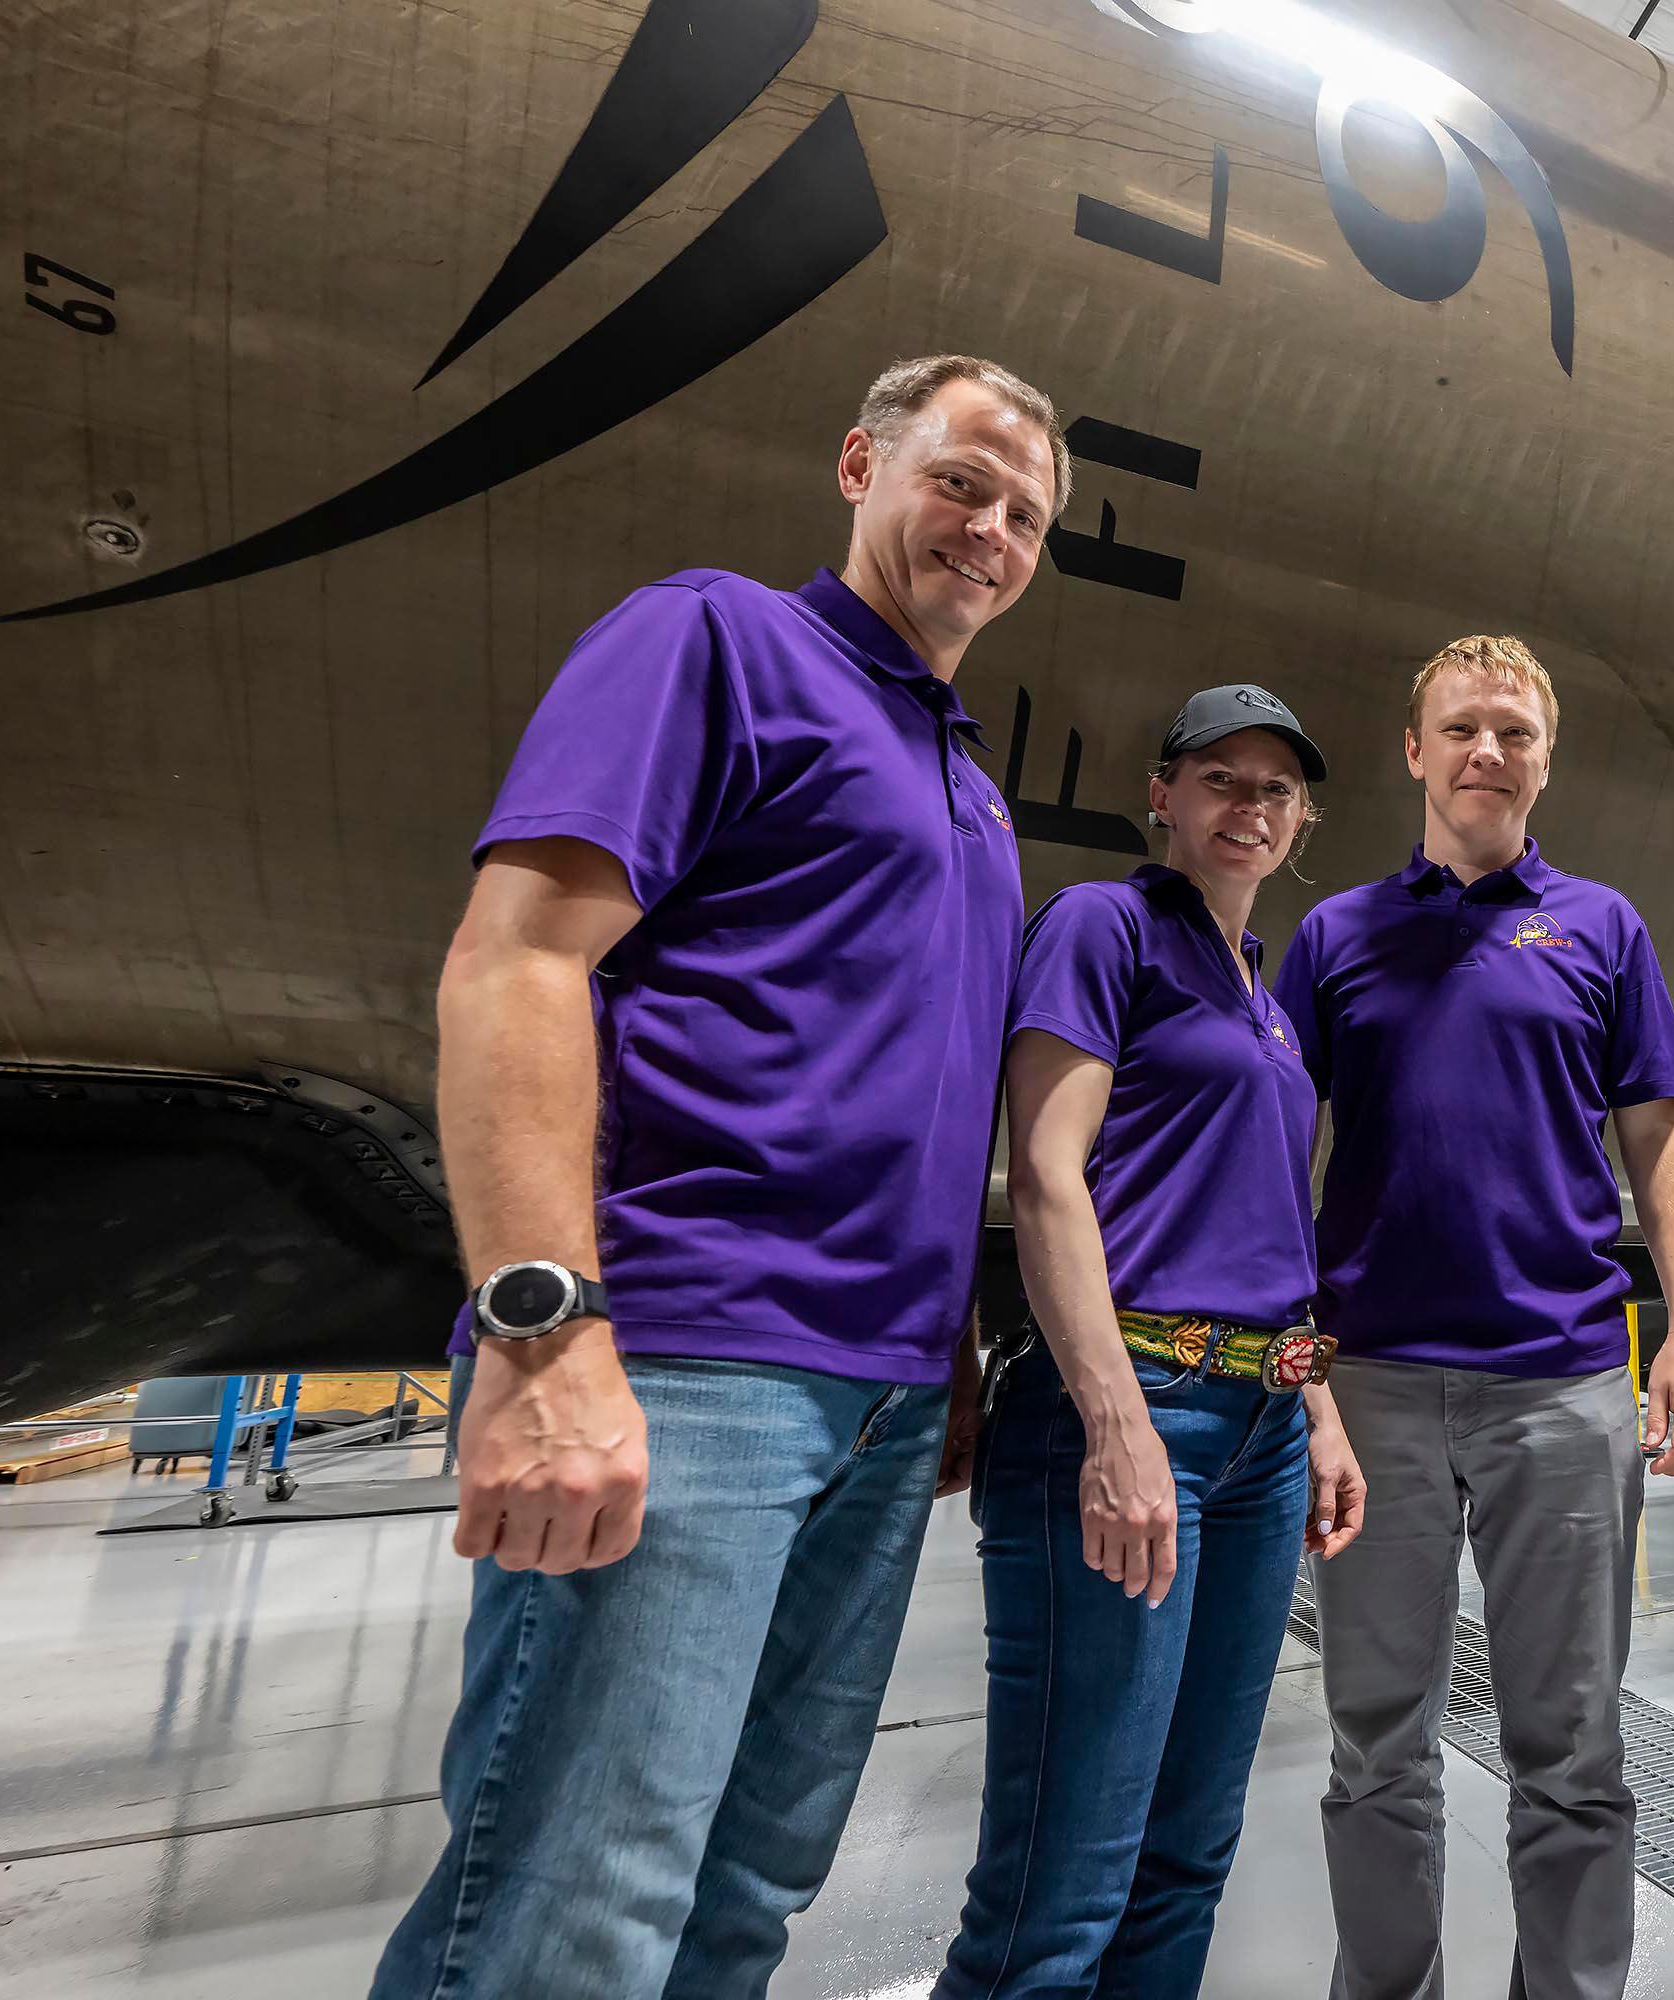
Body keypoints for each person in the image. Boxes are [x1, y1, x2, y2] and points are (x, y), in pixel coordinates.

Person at [371, 354, 1068, 1999]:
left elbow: (904, 1083)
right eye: (961, 479)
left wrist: (944, 1353)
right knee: (573, 1904)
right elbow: (515, 961)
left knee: (747, 1892)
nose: (990, 528)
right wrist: (545, 1334)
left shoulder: (967, 782)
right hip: (692, 1367)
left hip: (882, 1405)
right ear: (859, 463)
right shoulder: (716, 640)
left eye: (1026, 512)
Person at [1273, 635, 1674, 2000]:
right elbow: (1271, 1158)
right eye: (1462, 729)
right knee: (1375, 1745)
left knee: (1576, 1752)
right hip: (1379, 1392)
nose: (1489, 753)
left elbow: (1658, 1133)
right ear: (1415, 751)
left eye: (1515, 734)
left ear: (1546, 760)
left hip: (1563, 1384)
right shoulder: (1336, 937)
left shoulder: (1602, 928)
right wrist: (1305, 1377)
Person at [937, 686, 1368, 1998]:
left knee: (1187, 1856)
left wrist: (1319, 1408)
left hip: (1258, 1430)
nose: (1250, 806)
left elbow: (1267, 1221)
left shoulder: (1269, 998)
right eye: (1222, 779)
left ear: (1301, 825)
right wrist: (1115, 1422)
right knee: (1065, 1880)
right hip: (1133, 1412)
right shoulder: (1102, 927)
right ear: (1163, 796)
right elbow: (1047, 1176)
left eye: (1276, 790)